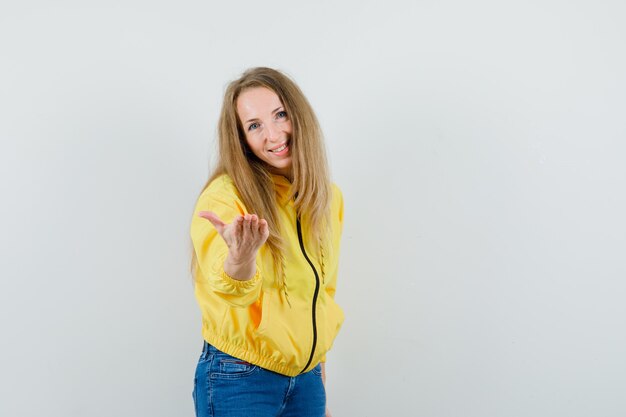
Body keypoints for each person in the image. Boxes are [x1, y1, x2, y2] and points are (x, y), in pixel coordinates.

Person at [190, 67, 345, 417]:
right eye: (254, 125)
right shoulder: (226, 198)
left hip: (305, 381)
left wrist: (320, 388)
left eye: (280, 115)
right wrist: (240, 258)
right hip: (240, 378)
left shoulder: (327, 198)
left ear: (298, 115)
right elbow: (228, 285)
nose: (273, 134)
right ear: (241, 139)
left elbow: (322, 296)